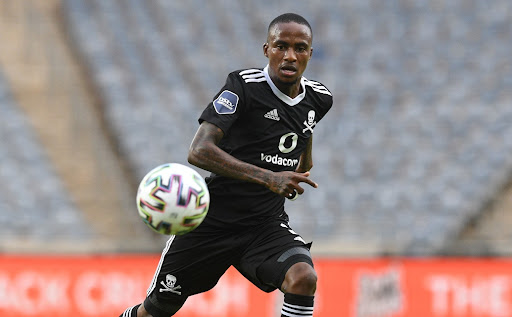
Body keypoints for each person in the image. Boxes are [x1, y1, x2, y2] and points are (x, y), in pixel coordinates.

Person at [120, 12, 332, 317]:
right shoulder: (243, 87)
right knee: (156, 309)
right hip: (211, 221)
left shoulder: (319, 99)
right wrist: (270, 178)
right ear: (266, 49)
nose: (289, 55)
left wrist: (302, 159)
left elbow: (302, 139)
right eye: (281, 46)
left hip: (264, 223)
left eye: (299, 48)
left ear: (310, 54)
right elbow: (199, 151)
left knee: (303, 278)